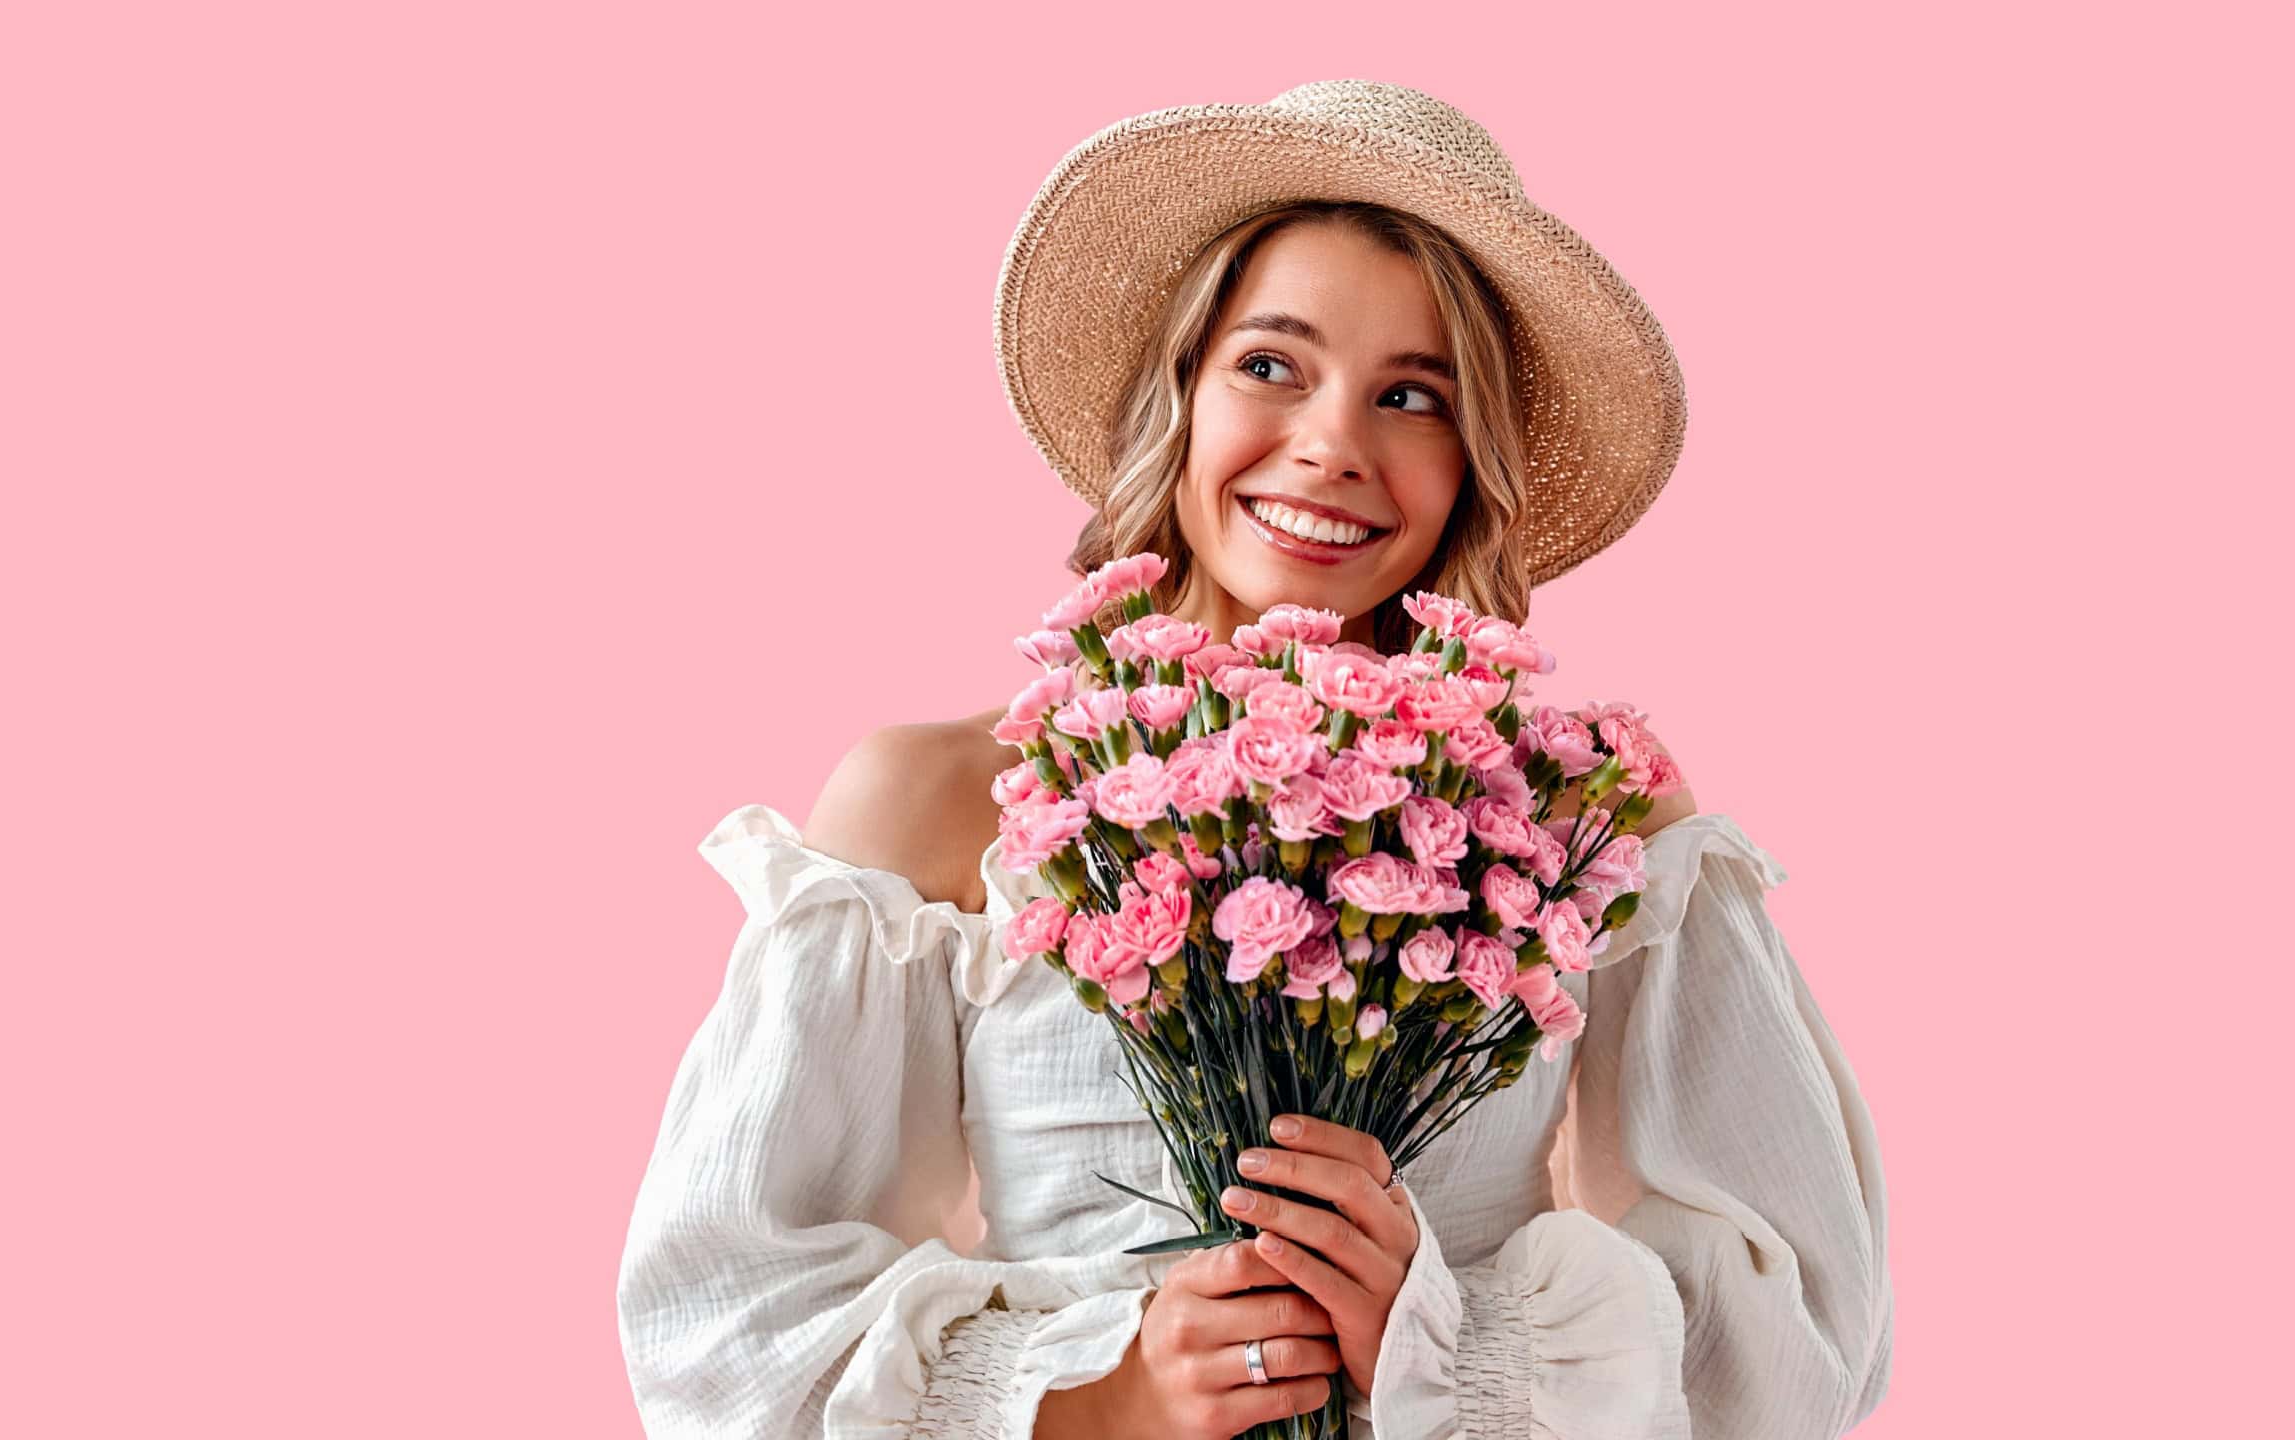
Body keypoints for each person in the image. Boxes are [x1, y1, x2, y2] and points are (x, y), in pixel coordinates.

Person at [616, 80, 1894, 1439]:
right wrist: (1110, 1397)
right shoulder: (939, 802)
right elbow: (719, 1324)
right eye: (1271, 364)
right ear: (1178, 392)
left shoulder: (1580, 816)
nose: (1334, 445)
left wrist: (1437, 1340)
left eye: (1413, 395)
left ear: (1473, 463)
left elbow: (1804, 1331)